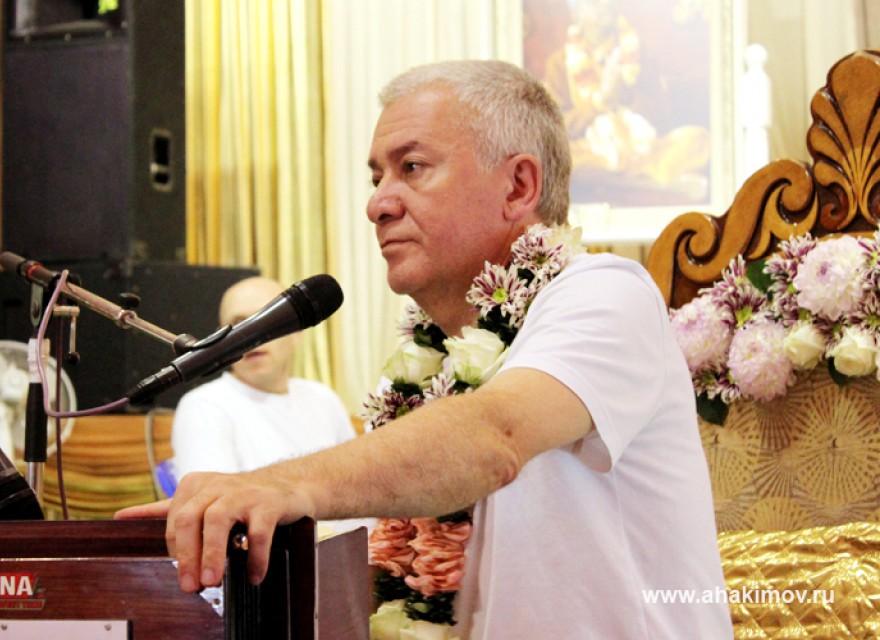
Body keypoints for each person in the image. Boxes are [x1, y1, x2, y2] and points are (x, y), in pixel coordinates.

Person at [118, 60, 732, 638]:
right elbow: (388, 577)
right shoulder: (423, 371)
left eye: (412, 167)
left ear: (518, 186)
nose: (377, 204)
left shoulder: (606, 294)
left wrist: (281, 484)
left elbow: (495, 437)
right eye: (376, 177)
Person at [170, 276, 356, 477]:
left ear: (297, 332)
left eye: (267, 322)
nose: (253, 338)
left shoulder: (323, 398)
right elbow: (212, 495)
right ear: (218, 341)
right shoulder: (203, 406)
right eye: (238, 326)